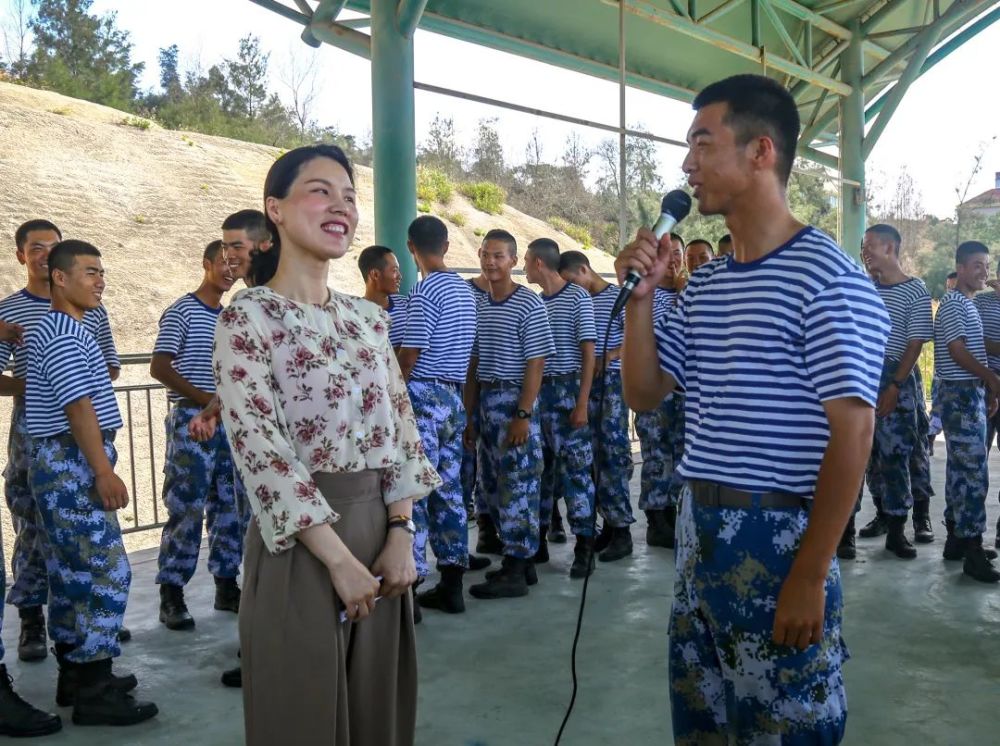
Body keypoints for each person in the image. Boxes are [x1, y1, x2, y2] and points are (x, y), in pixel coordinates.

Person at [616, 74, 889, 742]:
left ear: (761, 152)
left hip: (778, 539)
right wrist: (645, 301)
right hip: (697, 530)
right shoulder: (706, 285)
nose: (687, 165)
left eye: (702, 143)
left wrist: (811, 572)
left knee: (785, 723)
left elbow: (853, 433)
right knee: (703, 720)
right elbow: (643, 393)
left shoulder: (827, 278)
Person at [214, 144, 439, 745]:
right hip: (302, 545)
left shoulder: (369, 320)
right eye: (320, 191)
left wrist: (400, 533)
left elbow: (400, 427)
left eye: (349, 195)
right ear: (276, 211)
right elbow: (261, 449)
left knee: (378, 715)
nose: (341, 206)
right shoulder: (248, 319)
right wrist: (339, 561)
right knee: (304, 713)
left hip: (381, 541)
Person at [26, 240, 158, 726]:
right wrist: (102, 471)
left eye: (101, 272)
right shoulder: (60, 332)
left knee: (73, 572)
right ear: (59, 278)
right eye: (88, 272)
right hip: (71, 460)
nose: (99, 280)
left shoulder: (73, 327)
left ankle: (78, 673)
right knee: (104, 571)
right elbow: (77, 408)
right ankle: (94, 689)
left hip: (71, 457)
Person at [0, 219, 121, 664]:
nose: (45, 254)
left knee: (77, 553)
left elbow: (101, 372)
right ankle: (52, 632)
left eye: (53, 247)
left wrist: (80, 386)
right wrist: (41, 387)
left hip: (76, 441)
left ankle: (83, 648)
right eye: (37, 248)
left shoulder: (85, 317)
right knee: (62, 547)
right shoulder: (18, 315)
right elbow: (76, 404)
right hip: (54, 441)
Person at [150, 239, 245, 631]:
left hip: (228, 425)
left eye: (233, 264)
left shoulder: (231, 317)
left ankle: (227, 583)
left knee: (229, 507)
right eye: (221, 263)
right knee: (186, 508)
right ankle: (171, 593)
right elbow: (159, 366)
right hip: (193, 420)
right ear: (205, 264)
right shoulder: (182, 311)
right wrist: (206, 399)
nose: (228, 270)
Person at [396, 215, 484, 616]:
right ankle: (452, 584)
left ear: (412, 248)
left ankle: (410, 590)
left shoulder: (425, 291)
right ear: (446, 246)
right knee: (450, 492)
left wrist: (391, 390)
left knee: (412, 493)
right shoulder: (466, 294)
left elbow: (411, 354)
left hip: (422, 398)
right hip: (452, 399)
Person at [464, 230, 554, 599]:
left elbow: (536, 363)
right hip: (487, 403)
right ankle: (522, 563)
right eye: (485, 254)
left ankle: (516, 568)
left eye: (498, 256)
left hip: (515, 403)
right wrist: (470, 415)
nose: (490, 262)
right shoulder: (479, 303)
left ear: (514, 261)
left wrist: (522, 413)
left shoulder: (529, 305)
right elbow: (473, 362)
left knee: (519, 486)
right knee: (494, 486)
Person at [855, 224, 933, 559]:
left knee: (899, 453)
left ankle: (902, 527)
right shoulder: (864, 287)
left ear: (891, 248)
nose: (865, 252)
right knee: (870, 455)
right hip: (865, 376)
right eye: (863, 246)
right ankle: (883, 514)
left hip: (897, 377)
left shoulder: (915, 289)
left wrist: (895, 386)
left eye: (870, 246)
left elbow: (914, 344)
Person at [524, 238, 599, 577]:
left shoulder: (577, 297)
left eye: (526, 261)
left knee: (576, 473)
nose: (523, 267)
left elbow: (588, 353)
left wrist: (582, 402)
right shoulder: (537, 302)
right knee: (540, 472)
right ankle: (537, 541)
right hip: (542, 393)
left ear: (539, 263)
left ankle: (584, 545)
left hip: (569, 391)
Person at [558, 250, 637, 561]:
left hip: (611, 387)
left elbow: (639, 337)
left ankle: (622, 530)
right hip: (584, 386)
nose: (571, 287)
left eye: (572, 280)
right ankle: (607, 523)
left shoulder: (618, 297)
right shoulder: (580, 301)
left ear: (584, 269)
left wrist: (611, 357)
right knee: (592, 460)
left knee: (613, 456)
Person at [933, 241, 1000, 582]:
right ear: (959, 267)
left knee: (961, 471)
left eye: (986, 266)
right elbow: (957, 351)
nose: (983, 272)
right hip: (959, 395)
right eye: (977, 265)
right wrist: (992, 378)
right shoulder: (954, 304)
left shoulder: (967, 304)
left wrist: (985, 386)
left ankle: (957, 540)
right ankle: (972, 550)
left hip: (967, 393)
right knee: (973, 473)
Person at [634, 233, 685, 549]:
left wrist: (684, 294)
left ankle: (677, 515)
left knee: (681, 454)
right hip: (656, 389)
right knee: (655, 454)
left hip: (684, 391)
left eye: (679, 254)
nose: (675, 260)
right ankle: (657, 519)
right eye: (670, 254)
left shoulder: (690, 293)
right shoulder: (645, 297)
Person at [976, 261, 1000, 548]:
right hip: (983, 388)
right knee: (975, 461)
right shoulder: (980, 302)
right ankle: (970, 532)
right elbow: (975, 341)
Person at [359, 245, 408, 348]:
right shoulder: (357, 315)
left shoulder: (407, 305)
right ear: (375, 275)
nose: (400, 276)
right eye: (394, 270)